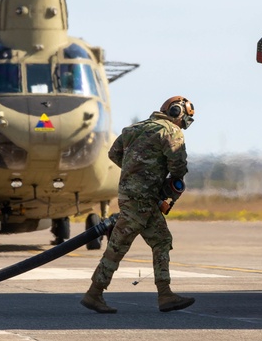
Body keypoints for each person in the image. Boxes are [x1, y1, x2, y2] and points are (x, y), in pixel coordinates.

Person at [81, 96, 196, 314]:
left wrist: (134, 169)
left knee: (154, 240)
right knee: (122, 246)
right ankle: (96, 293)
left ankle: (163, 294)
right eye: (184, 120)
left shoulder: (132, 129)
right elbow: (178, 166)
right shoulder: (171, 131)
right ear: (176, 113)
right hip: (143, 200)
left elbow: (113, 154)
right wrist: (164, 179)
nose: (183, 125)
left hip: (130, 197)